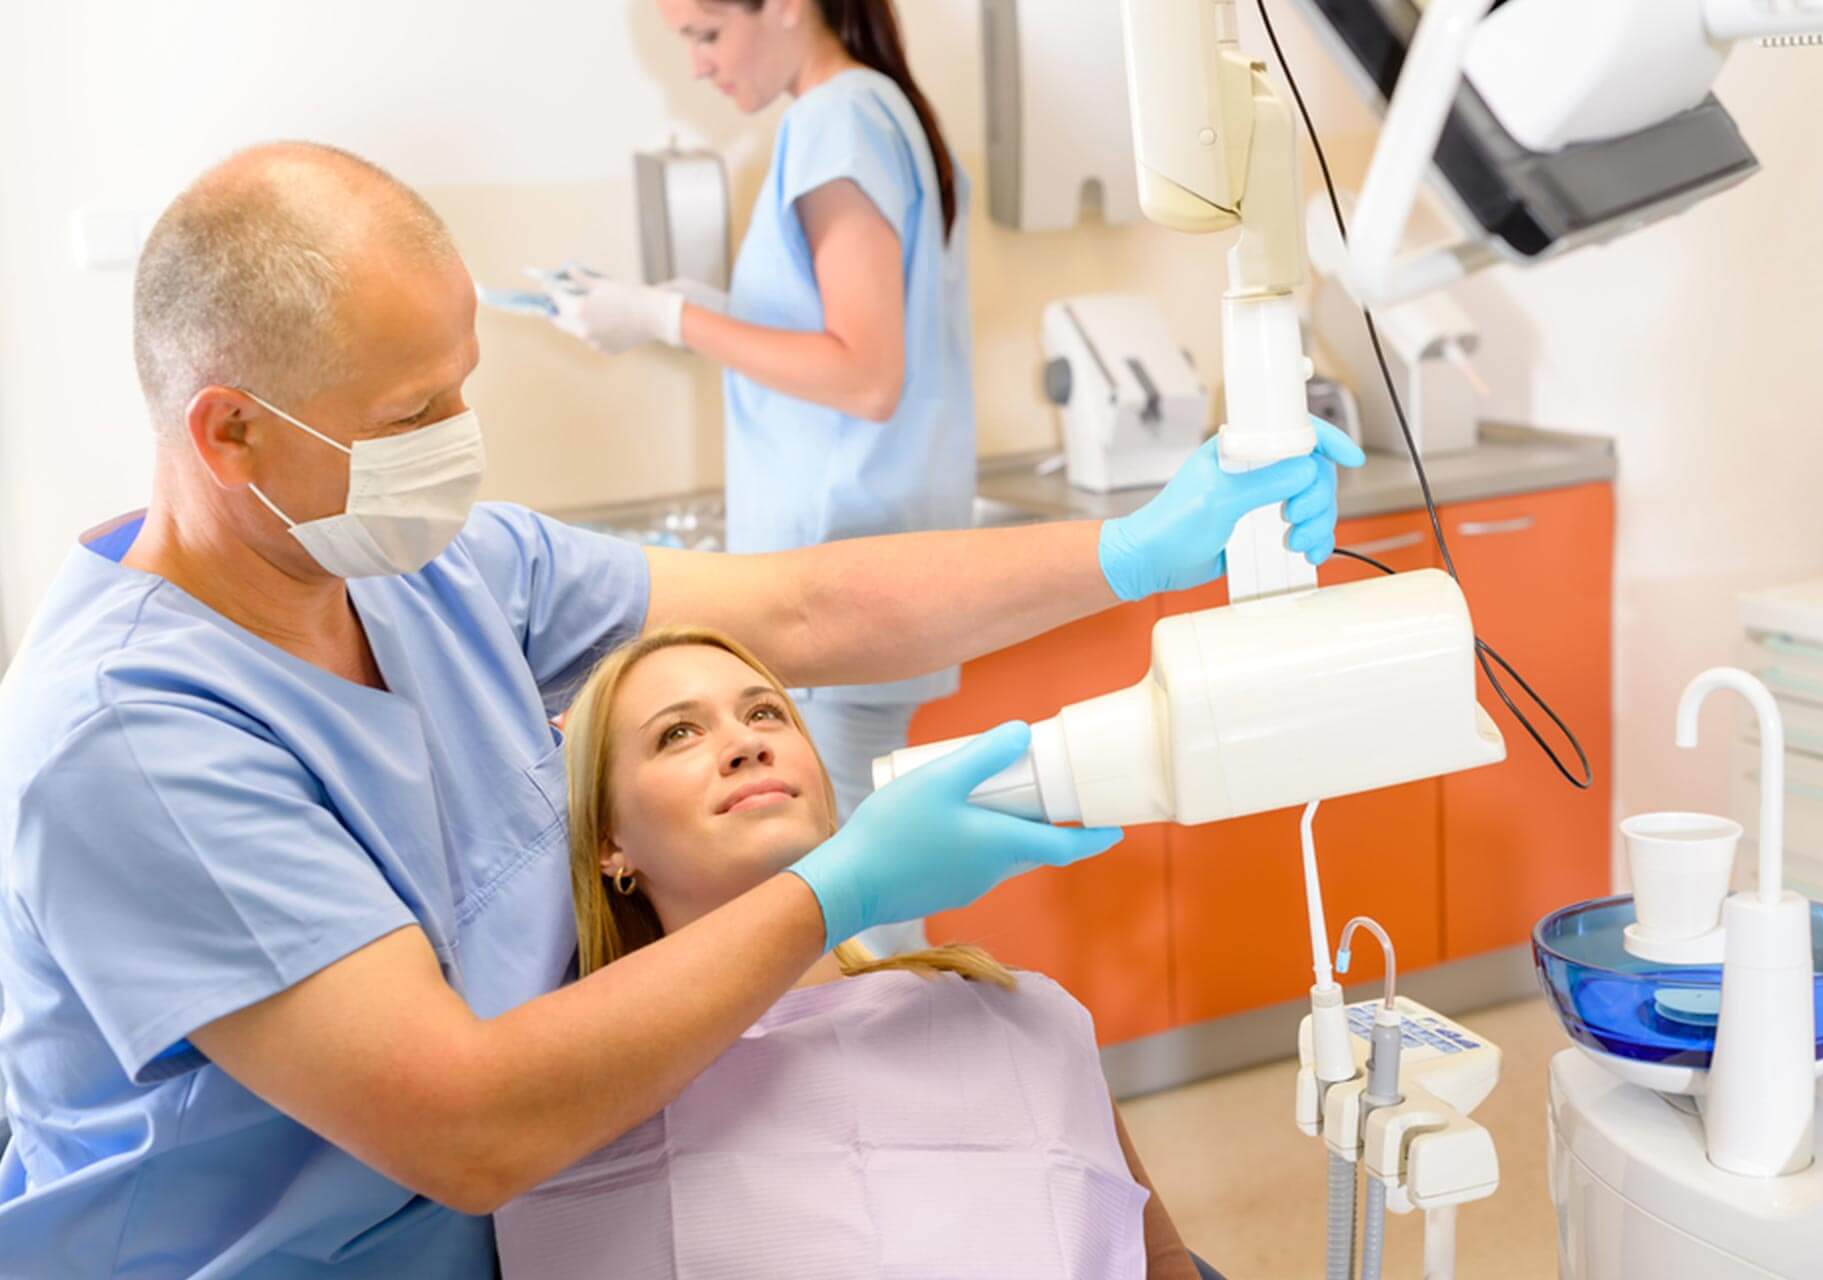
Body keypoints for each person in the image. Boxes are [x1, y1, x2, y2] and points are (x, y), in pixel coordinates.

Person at [0, 141, 1360, 1277]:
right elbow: (465, 1124)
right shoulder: (131, 740)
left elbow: (805, 611)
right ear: (230, 433)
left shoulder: (434, 572)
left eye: (464, 383)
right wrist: (838, 888)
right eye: (414, 413)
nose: (459, 438)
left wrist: (1138, 549)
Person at [493, 626, 1202, 1279]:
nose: (746, 744)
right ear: (609, 841)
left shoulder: (1016, 1015)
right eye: (678, 733)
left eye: (766, 713)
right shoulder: (560, 1110)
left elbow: (1161, 1263)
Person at [547, 0, 975, 954]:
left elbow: (863, 374)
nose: (698, 66)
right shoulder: (877, 109)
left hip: (838, 575)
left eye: (705, 35)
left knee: (856, 902)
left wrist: (666, 319)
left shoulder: (836, 120)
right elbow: (841, 338)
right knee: (867, 883)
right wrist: (700, 308)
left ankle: (918, 1047)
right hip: (864, 563)